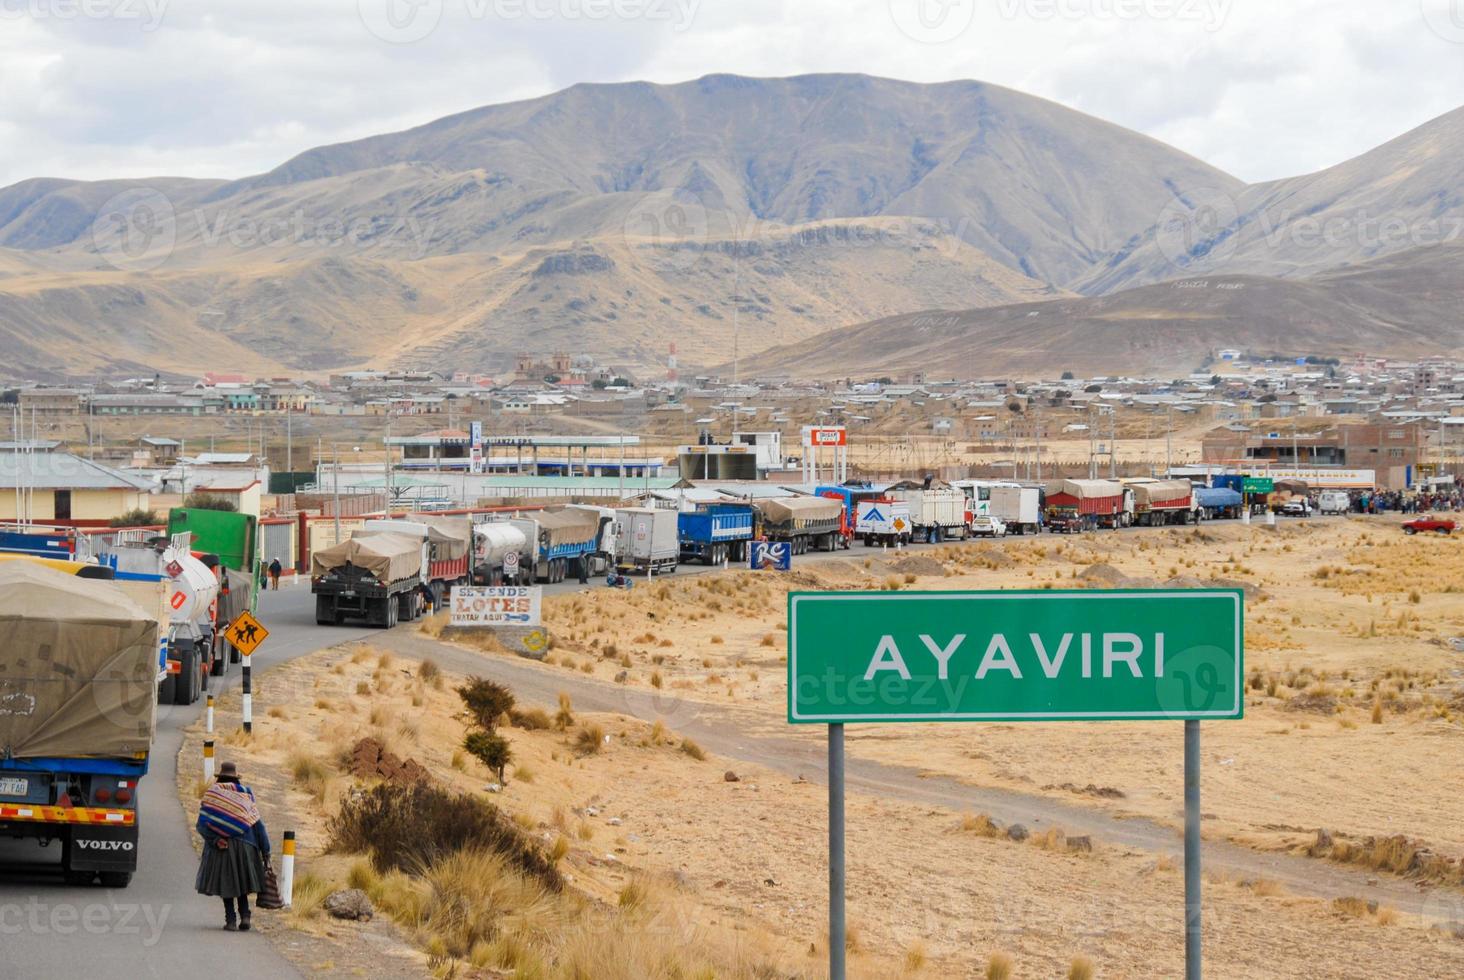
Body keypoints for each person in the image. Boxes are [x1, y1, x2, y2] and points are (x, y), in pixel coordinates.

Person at [196, 761, 271, 931]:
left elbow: (202, 825)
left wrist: (215, 840)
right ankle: (245, 916)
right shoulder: (246, 795)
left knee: (227, 884)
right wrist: (266, 850)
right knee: (242, 884)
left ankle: (230, 920)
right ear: (236, 778)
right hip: (247, 846)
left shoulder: (212, 795)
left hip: (223, 846)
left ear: (219, 778)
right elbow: (258, 825)